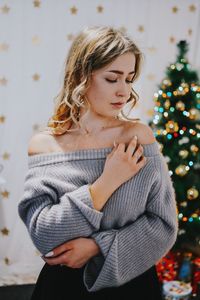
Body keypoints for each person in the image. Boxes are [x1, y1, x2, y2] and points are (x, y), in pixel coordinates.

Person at [18, 26, 178, 300]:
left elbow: (163, 226)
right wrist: (107, 182)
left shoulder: (137, 137)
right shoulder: (45, 145)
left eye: (129, 79)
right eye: (112, 78)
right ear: (81, 76)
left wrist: (97, 247)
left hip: (133, 286)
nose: (124, 91)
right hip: (63, 289)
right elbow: (44, 235)